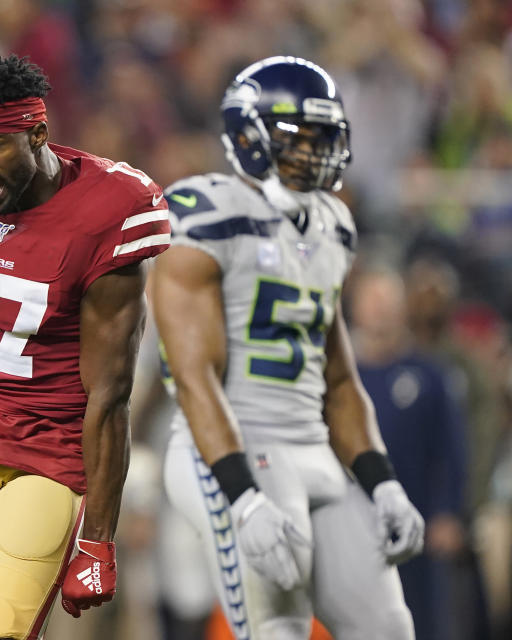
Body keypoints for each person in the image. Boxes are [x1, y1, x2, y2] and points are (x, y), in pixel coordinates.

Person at [0, 52, 171, 640]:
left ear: (39, 133)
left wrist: (98, 536)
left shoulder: (109, 208)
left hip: (48, 450)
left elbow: (111, 393)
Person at [151, 56, 425, 639]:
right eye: (299, 137)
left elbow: (340, 380)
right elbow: (195, 377)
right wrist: (243, 497)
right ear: (249, 135)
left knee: (389, 628)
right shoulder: (205, 216)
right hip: (235, 451)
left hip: (314, 450)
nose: (315, 152)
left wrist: (383, 482)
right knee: (279, 629)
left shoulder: (333, 225)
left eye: (324, 136)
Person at [350, 266, 472, 640]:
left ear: (403, 309)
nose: (381, 310)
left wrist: (449, 512)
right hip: (356, 523)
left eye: (388, 301)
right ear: (356, 309)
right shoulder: (343, 378)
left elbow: (452, 449)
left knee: (422, 621)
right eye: (373, 301)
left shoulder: (430, 375)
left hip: (418, 527)